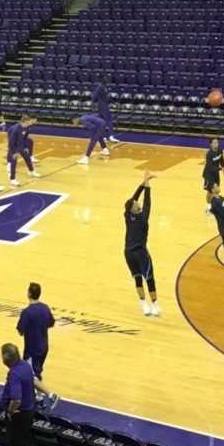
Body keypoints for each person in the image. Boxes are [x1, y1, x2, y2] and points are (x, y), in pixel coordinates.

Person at [124, 171, 160, 317]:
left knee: (138, 278)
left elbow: (134, 198)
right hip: (140, 253)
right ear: (135, 208)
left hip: (128, 252)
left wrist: (143, 183)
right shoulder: (143, 216)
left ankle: (144, 305)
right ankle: (155, 306)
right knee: (149, 278)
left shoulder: (127, 215)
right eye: (135, 203)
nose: (137, 201)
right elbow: (147, 200)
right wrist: (147, 185)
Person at [0, 343, 36, 446]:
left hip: (18, 416)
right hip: (28, 411)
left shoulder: (15, 373)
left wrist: (10, 412)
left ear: (6, 358)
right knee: (22, 445)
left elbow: (16, 399)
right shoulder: (25, 365)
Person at [16, 282, 56, 384]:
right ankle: (39, 394)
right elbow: (51, 323)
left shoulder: (27, 312)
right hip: (44, 346)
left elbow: (20, 331)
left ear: (29, 294)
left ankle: (43, 395)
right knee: (36, 372)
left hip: (32, 349)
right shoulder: (45, 308)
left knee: (31, 375)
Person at [6, 116, 41, 186]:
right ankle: (12, 179)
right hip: (14, 147)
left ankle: (32, 171)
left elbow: (25, 137)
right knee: (14, 163)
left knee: (28, 158)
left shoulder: (27, 127)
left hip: (21, 146)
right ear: (23, 122)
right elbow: (11, 141)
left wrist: (25, 146)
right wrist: (13, 152)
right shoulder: (16, 129)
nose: (28, 124)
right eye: (27, 123)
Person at [91, 75, 120, 144]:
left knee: (101, 122)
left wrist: (114, 103)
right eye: (105, 78)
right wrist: (92, 105)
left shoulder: (104, 87)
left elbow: (106, 98)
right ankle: (111, 137)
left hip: (103, 105)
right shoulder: (100, 87)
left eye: (106, 78)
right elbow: (94, 95)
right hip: (103, 106)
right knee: (109, 120)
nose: (107, 79)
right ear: (102, 79)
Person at [202, 137, 224, 212]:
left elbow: (221, 160)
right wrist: (220, 169)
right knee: (214, 191)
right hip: (209, 175)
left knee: (214, 192)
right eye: (215, 143)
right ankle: (209, 208)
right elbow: (210, 168)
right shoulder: (209, 154)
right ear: (211, 144)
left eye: (217, 142)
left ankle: (212, 207)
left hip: (216, 174)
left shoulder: (220, 151)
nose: (217, 144)